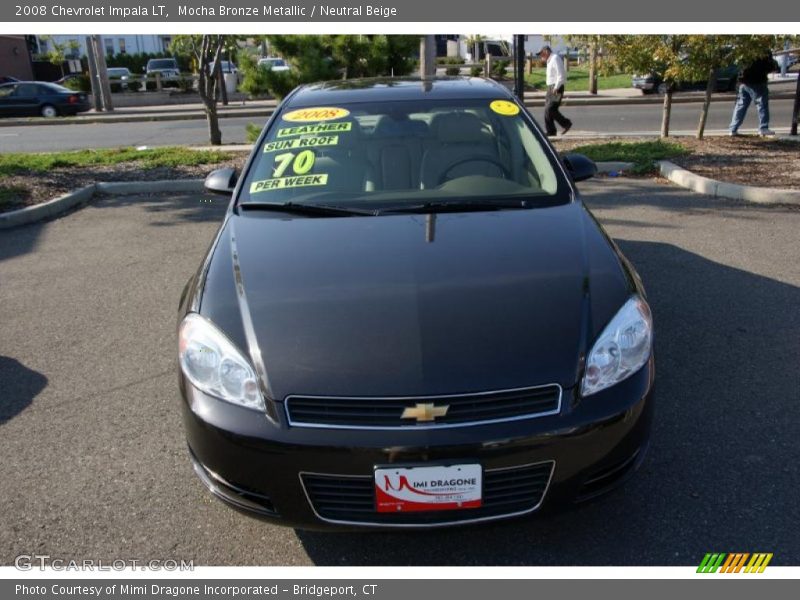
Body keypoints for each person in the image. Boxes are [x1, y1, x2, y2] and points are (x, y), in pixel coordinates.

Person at [729, 50, 777, 137]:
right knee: (762, 104)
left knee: (741, 105)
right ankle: (763, 128)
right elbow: (768, 66)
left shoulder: (745, 48)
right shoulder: (763, 50)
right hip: (757, 80)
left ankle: (733, 129)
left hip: (743, 80)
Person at [537, 45, 572, 137]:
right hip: (550, 87)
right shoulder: (550, 61)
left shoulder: (555, 58)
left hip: (556, 88)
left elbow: (561, 74)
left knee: (550, 108)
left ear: (546, 51)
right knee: (547, 110)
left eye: (541, 54)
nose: (541, 56)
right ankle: (551, 131)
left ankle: (566, 123)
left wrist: (556, 87)